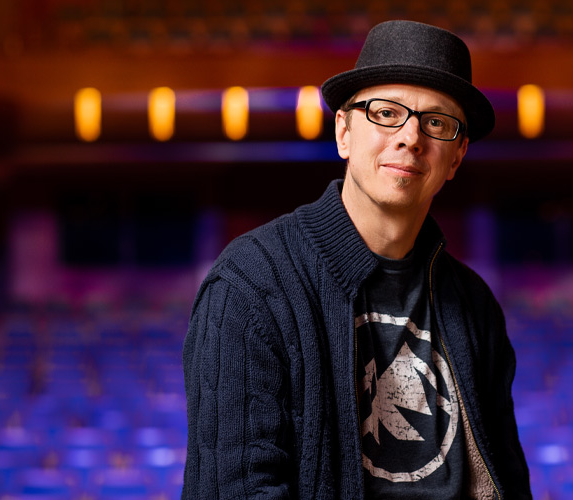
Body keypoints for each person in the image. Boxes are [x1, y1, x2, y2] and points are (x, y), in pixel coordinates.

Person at [182, 20, 532, 500]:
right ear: (344, 132)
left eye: (436, 122)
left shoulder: (474, 304)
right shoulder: (251, 283)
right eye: (386, 112)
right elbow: (235, 490)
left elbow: (509, 480)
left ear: (456, 157)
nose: (411, 137)